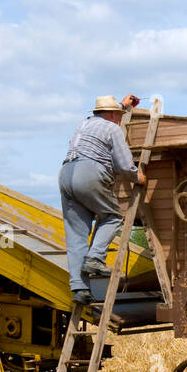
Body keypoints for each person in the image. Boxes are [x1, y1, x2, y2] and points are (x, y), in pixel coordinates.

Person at [60, 94, 146, 304]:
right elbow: (124, 165)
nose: (119, 118)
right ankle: (96, 257)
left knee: (76, 234)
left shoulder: (84, 124)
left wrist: (124, 107)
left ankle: (79, 289)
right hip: (88, 173)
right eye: (117, 115)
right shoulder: (112, 128)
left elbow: (109, 119)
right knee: (113, 216)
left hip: (66, 174)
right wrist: (138, 177)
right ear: (110, 115)